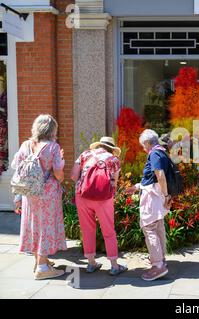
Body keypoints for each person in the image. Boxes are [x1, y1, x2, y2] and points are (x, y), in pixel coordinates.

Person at [11, 114, 67, 280]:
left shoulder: (26, 145)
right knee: (45, 227)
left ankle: (39, 261)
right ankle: (42, 268)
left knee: (34, 225)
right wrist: (61, 162)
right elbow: (58, 174)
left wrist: (17, 198)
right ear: (52, 130)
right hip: (47, 194)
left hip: (30, 193)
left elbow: (16, 167)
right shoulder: (53, 147)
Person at [71, 136, 127, 276]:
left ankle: (91, 263)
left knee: (87, 229)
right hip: (104, 198)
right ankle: (114, 266)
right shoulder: (114, 160)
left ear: (99, 145)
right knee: (108, 231)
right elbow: (114, 181)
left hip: (82, 196)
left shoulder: (85, 154)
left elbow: (73, 175)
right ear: (112, 148)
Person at [127, 129, 171, 281]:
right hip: (157, 194)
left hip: (153, 196)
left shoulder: (154, 153)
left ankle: (158, 265)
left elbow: (160, 175)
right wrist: (137, 186)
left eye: (143, 145)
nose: (143, 148)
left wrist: (166, 196)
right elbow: (153, 177)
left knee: (149, 228)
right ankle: (161, 259)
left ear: (147, 142)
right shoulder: (162, 152)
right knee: (158, 226)